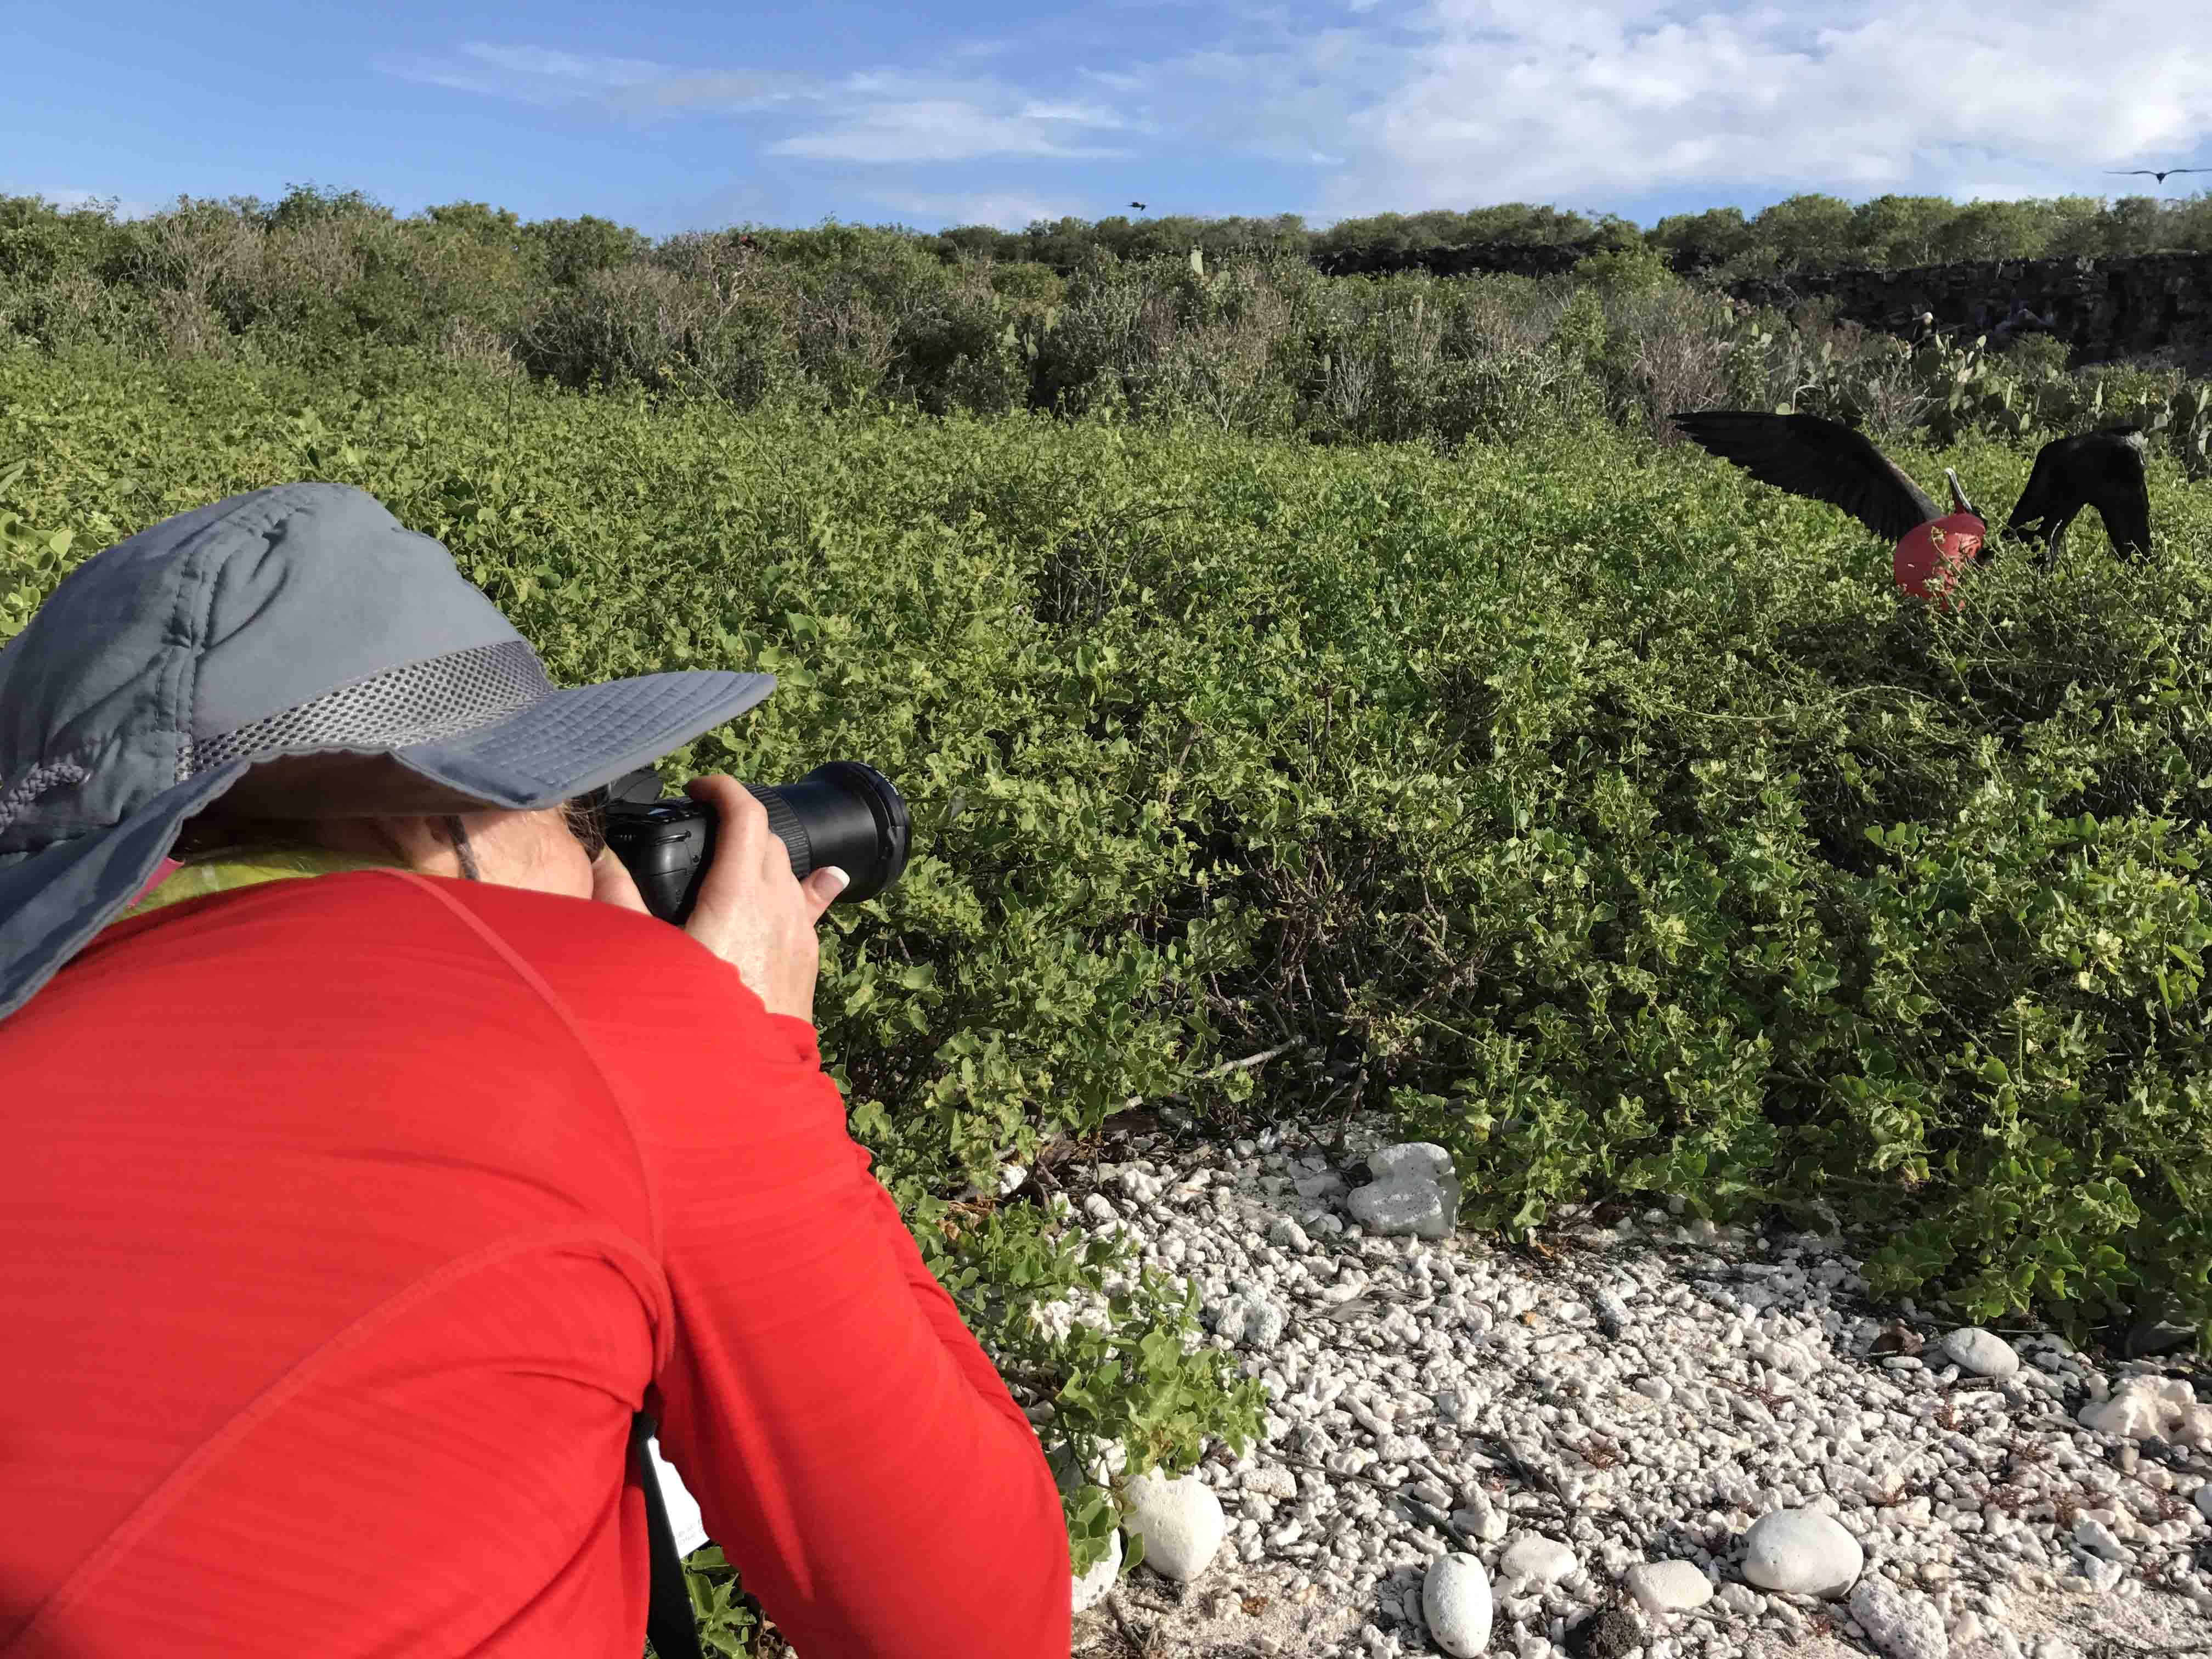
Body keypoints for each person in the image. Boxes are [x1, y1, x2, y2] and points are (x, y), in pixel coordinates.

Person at [0, 482, 1071, 1657]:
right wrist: (753, 1042)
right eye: (577, 813)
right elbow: (982, 1625)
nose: (597, 855)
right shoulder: (608, 1019)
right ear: (435, 823)